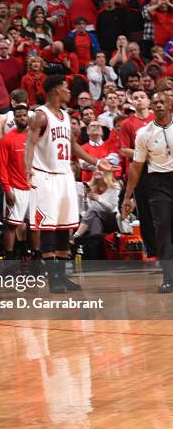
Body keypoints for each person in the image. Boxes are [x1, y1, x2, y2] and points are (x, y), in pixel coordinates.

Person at [24, 74, 114, 293]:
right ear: (55, 90)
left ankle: (62, 276)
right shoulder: (40, 116)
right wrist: (27, 171)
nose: (69, 92)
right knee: (48, 227)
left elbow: (73, 146)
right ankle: (53, 278)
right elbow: (30, 144)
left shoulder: (64, 115)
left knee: (65, 226)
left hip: (65, 176)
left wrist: (97, 161)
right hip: (45, 176)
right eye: (66, 88)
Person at [122, 92, 173, 293]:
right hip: (158, 184)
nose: (159, 105)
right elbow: (136, 167)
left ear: (170, 104)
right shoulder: (144, 133)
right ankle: (168, 277)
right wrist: (127, 196)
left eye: (162, 102)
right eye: (156, 103)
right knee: (163, 232)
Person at [118, 89, 156, 257]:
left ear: (149, 101)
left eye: (142, 97)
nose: (139, 100)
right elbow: (124, 150)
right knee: (145, 213)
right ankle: (153, 252)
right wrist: (144, 154)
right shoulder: (127, 124)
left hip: (161, 169)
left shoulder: (158, 119)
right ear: (131, 102)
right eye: (135, 98)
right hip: (140, 171)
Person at [0, 105, 31, 259]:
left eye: (24, 115)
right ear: (14, 119)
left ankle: (29, 255)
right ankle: (9, 260)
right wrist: (7, 189)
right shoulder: (7, 139)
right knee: (11, 225)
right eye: (18, 116)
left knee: (34, 226)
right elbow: (2, 167)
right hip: (15, 188)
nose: (22, 118)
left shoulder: (34, 137)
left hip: (34, 187)